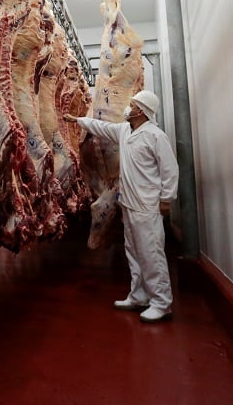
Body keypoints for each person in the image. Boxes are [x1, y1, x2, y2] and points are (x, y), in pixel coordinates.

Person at [64, 90, 179, 323]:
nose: (128, 107)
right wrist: (78, 121)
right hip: (128, 202)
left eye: (132, 104)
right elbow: (101, 128)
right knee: (134, 251)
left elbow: (170, 169)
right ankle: (138, 295)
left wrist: (167, 199)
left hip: (147, 205)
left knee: (151, 253)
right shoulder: (125, 130)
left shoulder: (155, 136)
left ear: (142, 110)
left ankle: (161, 302)